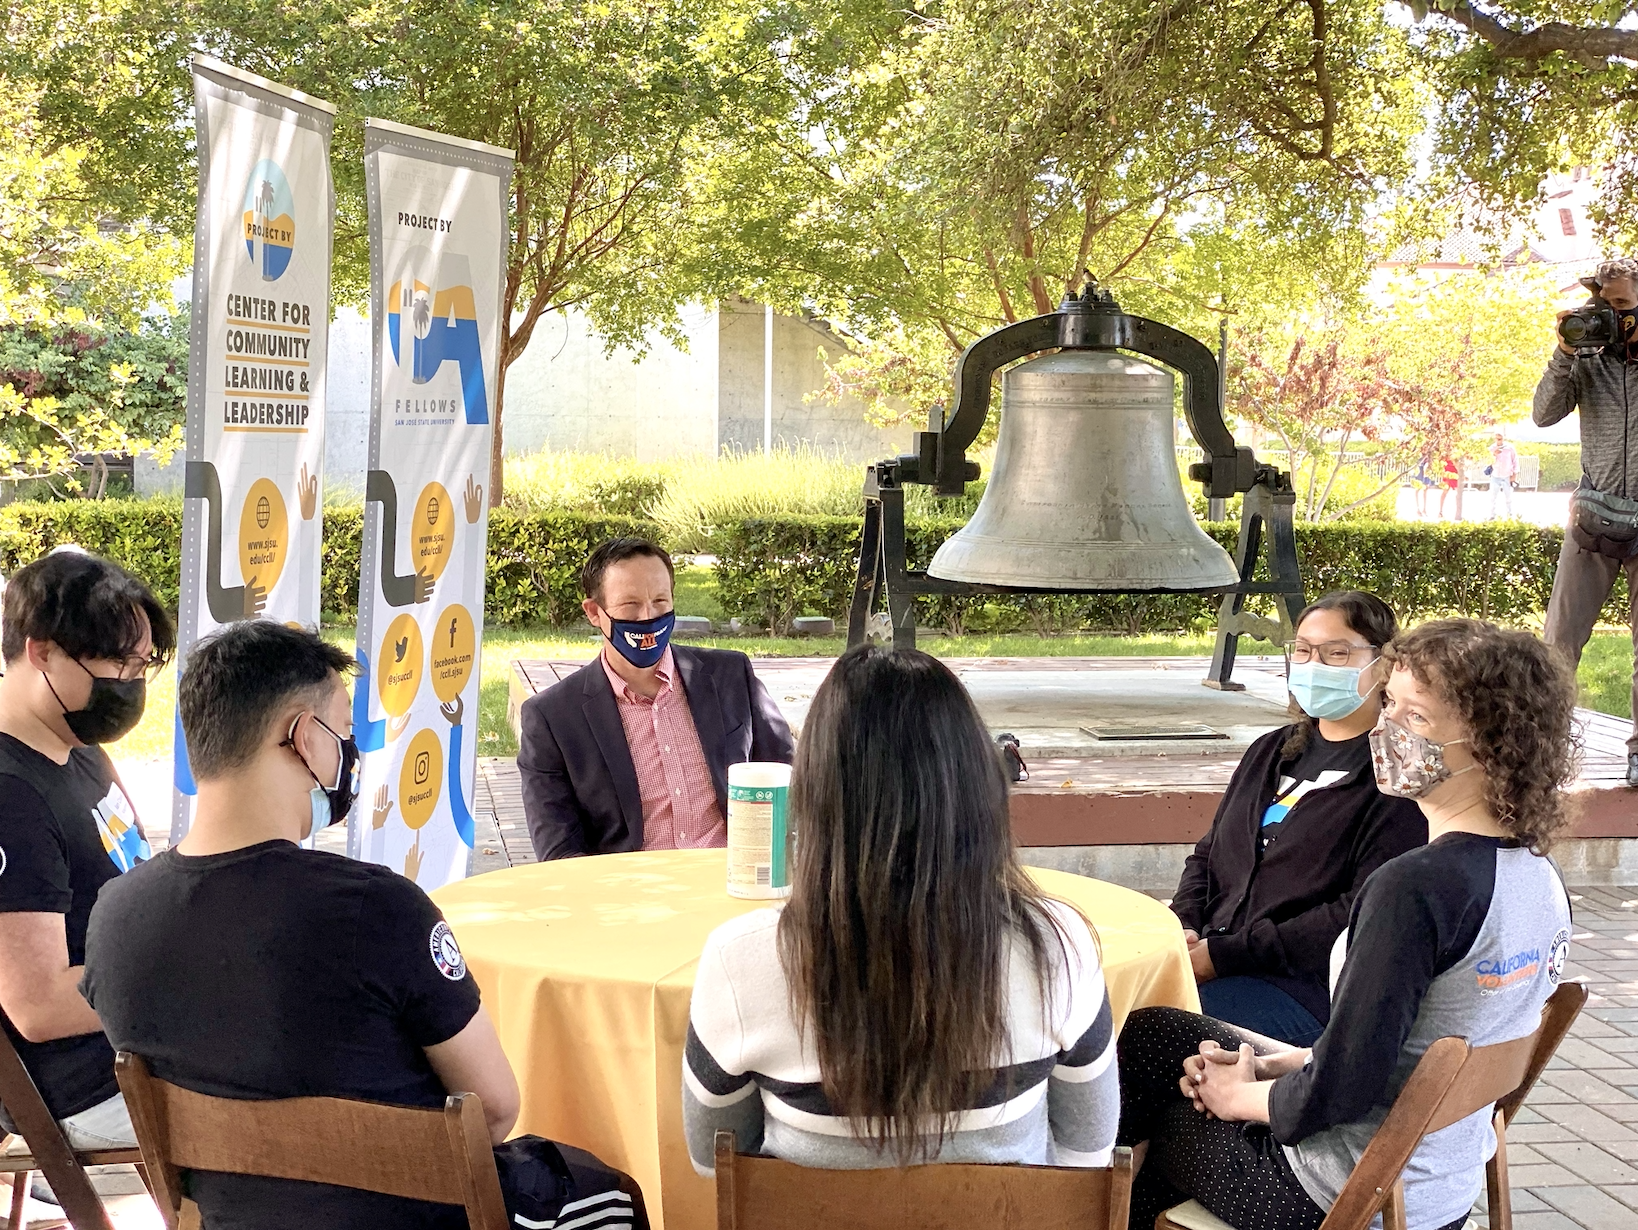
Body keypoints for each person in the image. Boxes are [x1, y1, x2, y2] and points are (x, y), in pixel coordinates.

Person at [83, 623, 641, 1230]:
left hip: (235, 1217)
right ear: (302, 737)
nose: (351, 751)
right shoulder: (376, 908)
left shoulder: (113, 919)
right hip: (419, 1216)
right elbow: (496, 1107)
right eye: (344, 733)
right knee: (610, 1194)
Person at [1117, 620, 1577, 1230]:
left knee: (1160, 1114)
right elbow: (1399, 1049)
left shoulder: (1413, 889)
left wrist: (1241, 1097)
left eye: (1415, 719)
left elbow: (1341, 1092)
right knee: (1153, 1034)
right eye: (1388, 701)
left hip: (1335, 1196)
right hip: (1434, 1188)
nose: (1384, 729)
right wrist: (1273, 1067)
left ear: (1494, 747)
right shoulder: (1538, 876)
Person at [682, 646, 1117, 1172]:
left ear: (817, 795)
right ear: (977, 784)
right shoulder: (1060, 945)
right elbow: (1086, 1155)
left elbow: (716, 1165)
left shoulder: (739, 960)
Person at [1172, 592, 1425, 1048]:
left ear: (1384, 665)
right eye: (1304, 651)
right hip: (1215, 959)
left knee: (1151, 1036)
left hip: (1307, 990)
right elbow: (1209, 855)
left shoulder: (1393, 777)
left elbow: (1358, 911)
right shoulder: (1269, 751)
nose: (1314, 665)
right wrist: (1184, 924)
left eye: (1337, 653)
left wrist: (1224, 956)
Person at [0, 552, 171, 1155]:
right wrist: (181, 983)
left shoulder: (75, 744)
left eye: (141, 666)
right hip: (90, 1084)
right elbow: (37, 1006)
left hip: (143, 1041)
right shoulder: (10, 795)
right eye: (114, 664)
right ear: (39, 650)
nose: (129, 685)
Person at [519, 537, 794, 860]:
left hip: (733, 880)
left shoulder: (731, 677)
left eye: (660, 602)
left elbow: (787, 775)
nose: (647, 617)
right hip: (630, 896)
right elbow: (559, 852)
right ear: (594, 612)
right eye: (630, 605)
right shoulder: (553, 718)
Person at [1534, 256, 1638, 784]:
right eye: (1600, 302)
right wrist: (1565, 352)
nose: (1604, 314)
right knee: (1560, 639)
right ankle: (1542, 746)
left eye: (1618, 304)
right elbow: (1544, 414)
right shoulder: (1589, 361)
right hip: (1593, 515)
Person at [1488, 433, 1518, 520]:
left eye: (1500, 439)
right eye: (1497, 439)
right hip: (1495, 475)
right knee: (1493, 497)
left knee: (1508, 497)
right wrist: (1494, 454)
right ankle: (1492, 515)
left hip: (1507, 475)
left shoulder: (1509, 448)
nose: (1499, 440)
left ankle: (1510, 515)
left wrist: (1515, 474)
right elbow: (1487, 460)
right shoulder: (1491, 448)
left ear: (1503, 438)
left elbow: (1515, 461)